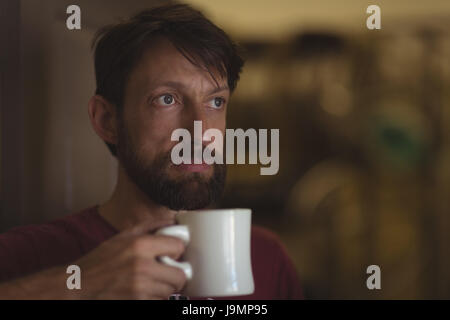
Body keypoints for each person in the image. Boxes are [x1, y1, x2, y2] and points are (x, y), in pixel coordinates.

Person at [0, 3, 303, 300]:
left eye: (215, 102)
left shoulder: (267, 259)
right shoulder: (24, 256)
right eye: (167, 99)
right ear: (107, 120)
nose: (200, 131)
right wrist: (79, 285)